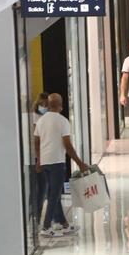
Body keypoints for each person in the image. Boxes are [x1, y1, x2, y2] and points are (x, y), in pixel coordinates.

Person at [34, 94, 89, 236]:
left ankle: (63, 224)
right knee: (54, 195)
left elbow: (36, 141)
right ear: (61, 104)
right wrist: (79, 163)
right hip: (57, 162)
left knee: (54, 194)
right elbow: (67, 145)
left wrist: (39, 159)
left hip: (45, 162)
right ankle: (46, 227)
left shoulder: (41, 121)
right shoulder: (63, 121)